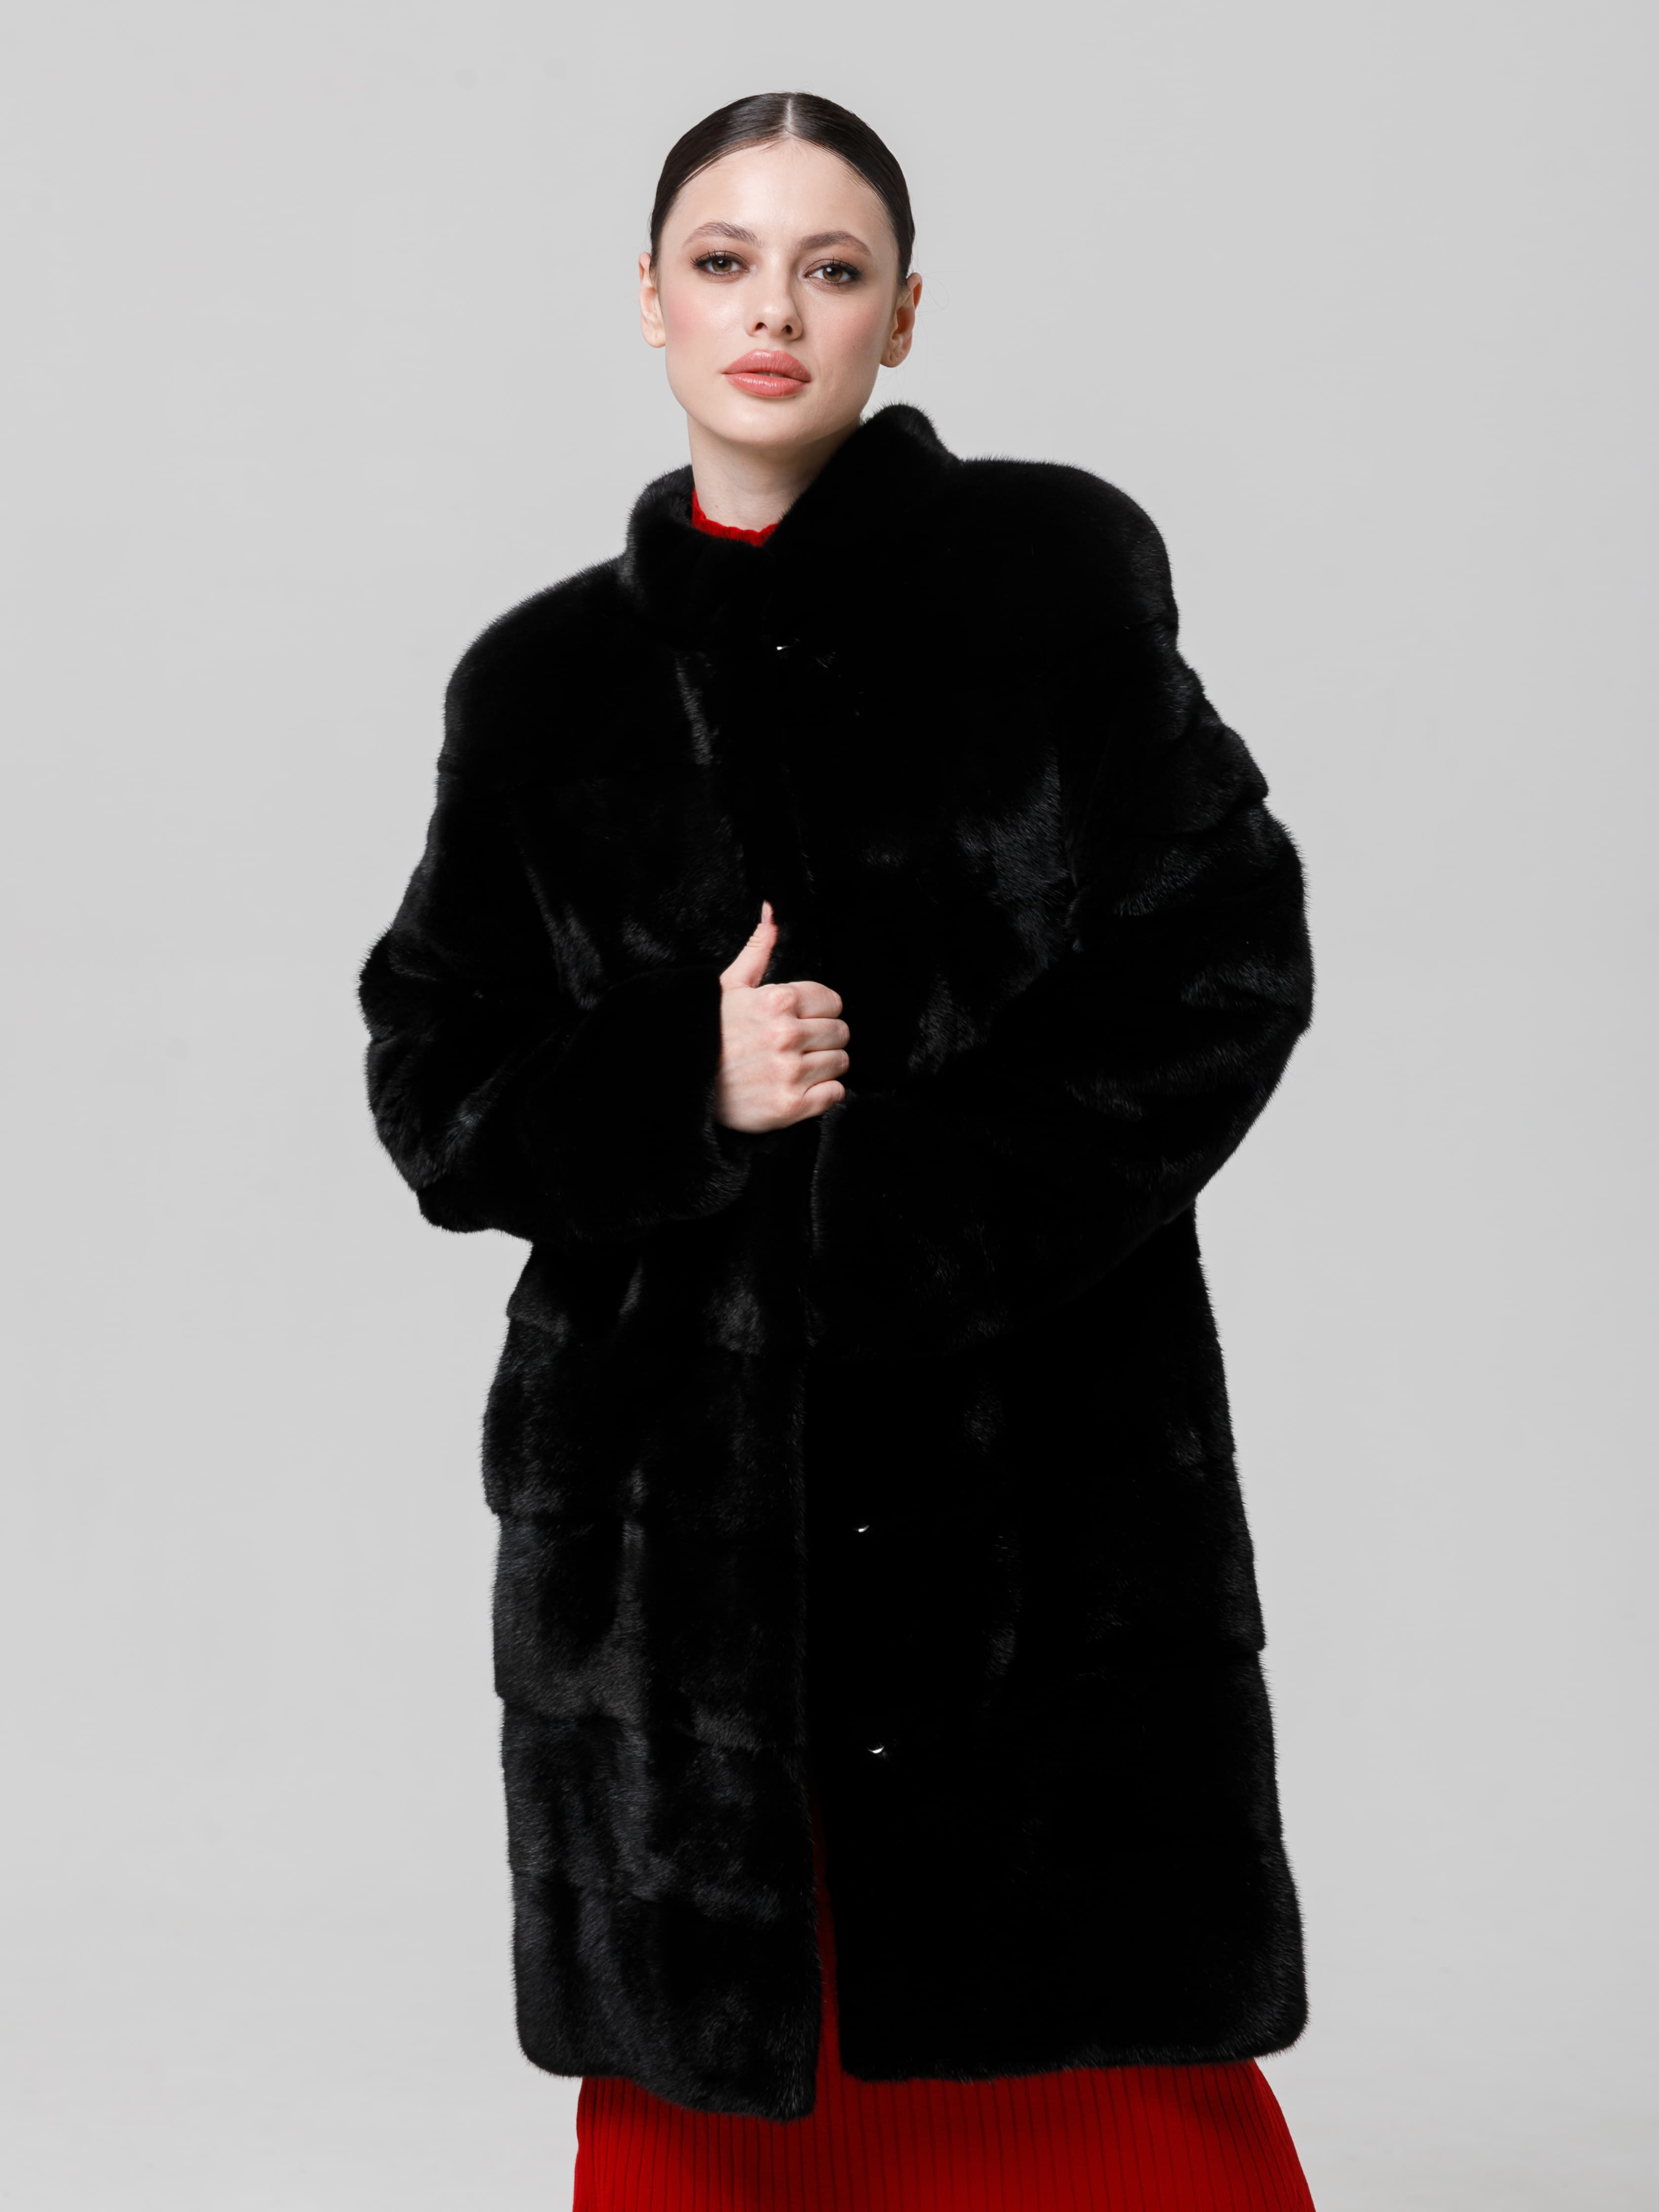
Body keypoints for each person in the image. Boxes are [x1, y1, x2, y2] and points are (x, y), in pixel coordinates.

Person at [358, 89, 1318, 2212]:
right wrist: (678, 1084)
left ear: (903, 311)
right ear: (650, 299)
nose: (772, 311)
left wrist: (916, 1221)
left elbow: (1226, 959)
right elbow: (434, 1077)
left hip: (1028, 1496)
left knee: (1102, 2086)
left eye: (830, 267)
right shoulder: (540, 689)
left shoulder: (1053, 580)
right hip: (669, 1551)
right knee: (712, 2101)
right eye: (724, 262)